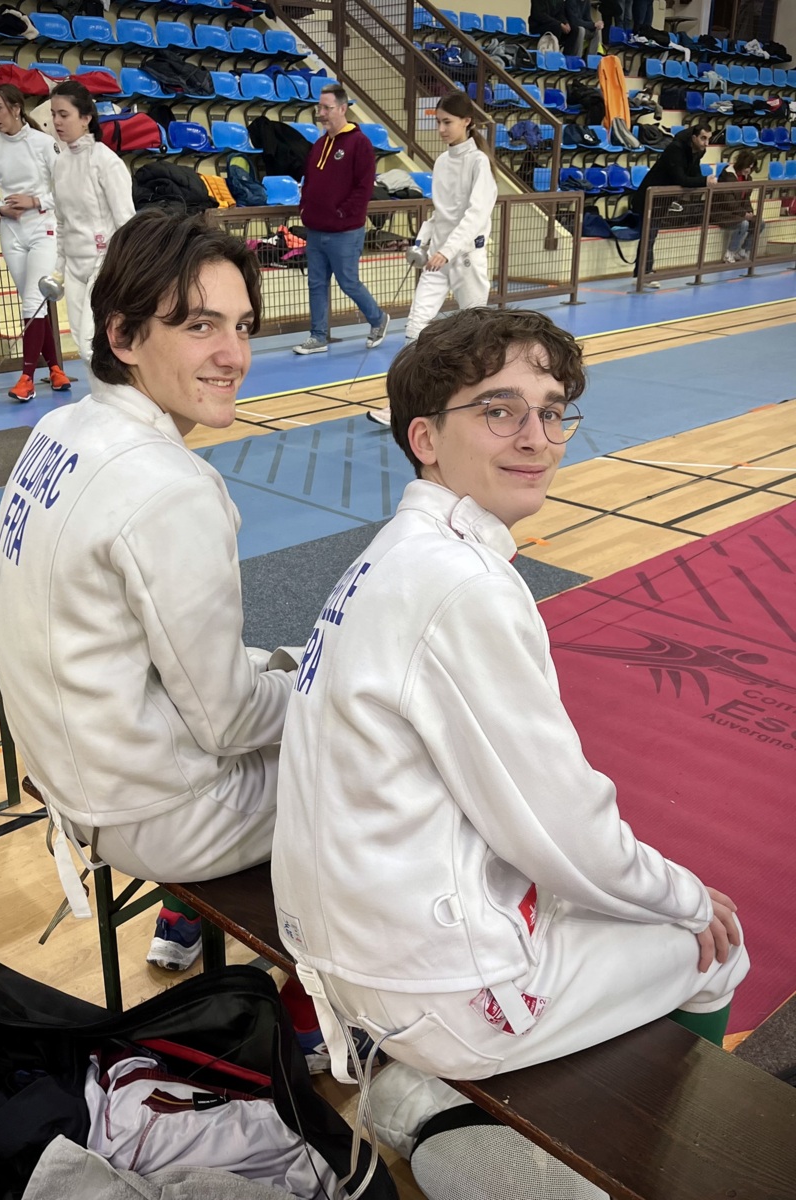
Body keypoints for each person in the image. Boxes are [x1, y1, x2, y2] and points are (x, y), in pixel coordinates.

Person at [271, 307, 748, 1094]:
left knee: (613, 905)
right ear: (425, 438)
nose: (536, 439)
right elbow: (565, 831)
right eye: (500, 411)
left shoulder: (397, 551)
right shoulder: (461, 583)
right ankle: (636, 1147)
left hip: (344, 949)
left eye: (551, 412)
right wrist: (688, 898)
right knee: (717, 946)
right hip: (427, 987)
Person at [0, 210, 296, 971]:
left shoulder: (60, 428)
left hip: (72, 772)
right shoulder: (170, 488)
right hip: (158, 813)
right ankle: (321, 1000)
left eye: (242, 327)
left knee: (280, 667)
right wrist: (330, 694)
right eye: (199, 326)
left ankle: (185, 914)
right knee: (380, 754)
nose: (233, 355)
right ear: (123, 336)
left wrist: (286, 671)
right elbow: (228, 721)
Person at [367, 92, 496, 428]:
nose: (441, 129)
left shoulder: (478, 163)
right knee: (416, 328)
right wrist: (422, 241)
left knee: (477, 333)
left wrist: (446, 251)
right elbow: (440, 214)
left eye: (447, 122)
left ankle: (486, 399)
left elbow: (475, 215)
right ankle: (400, 405)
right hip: (437, 259)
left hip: (466, 258)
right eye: (438, 122)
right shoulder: (441, 162)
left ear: (467, 121)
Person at [0, 84, 73, 402]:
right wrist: (0, 208)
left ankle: (27, 378)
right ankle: (56, 369)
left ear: (16, 108)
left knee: (32, 302)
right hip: (12, 230)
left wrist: (35, 201)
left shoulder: (43, 143)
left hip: (43, 227)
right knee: (35, 304)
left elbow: (64, 187)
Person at [293, 84, 389, 356]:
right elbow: (309, 182)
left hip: (345, 231)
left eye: (327, 108)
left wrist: (343, 212)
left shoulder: (360, 144)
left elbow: (364, 187)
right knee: (316, 284)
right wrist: (305, 209)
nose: (321, 113)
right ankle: (318, 336)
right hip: (316, 228)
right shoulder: (319, 145)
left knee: (348, 282)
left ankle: (378, 319)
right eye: (319, 107)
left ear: (343, 108)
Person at [49, 81, 135, 363]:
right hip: (74, 267)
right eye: (53, 114)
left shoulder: (106, 162)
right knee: (81, 343)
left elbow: (127, 224)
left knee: (93, 344)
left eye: (64, 114)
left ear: (86, 118)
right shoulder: (61, 164)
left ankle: (124, 389)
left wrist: (123, 271)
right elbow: (62, 223)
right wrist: (58, 270)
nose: (57, 122)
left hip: (103, 263)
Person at [630, 121, 715, 286]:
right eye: (703, 138)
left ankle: (642, 272)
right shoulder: (675, 149)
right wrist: (704, 181)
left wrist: (701, 181)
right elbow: (680, 179)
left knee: (651, 234)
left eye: (708, 139)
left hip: (664, 199)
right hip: (648, 196)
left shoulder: (699, 151)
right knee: (649, 235)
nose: (706, 143)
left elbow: (694, 173)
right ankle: (644, 273)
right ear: (693, 137)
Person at [713, 149, 763, 263]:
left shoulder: (748, 178)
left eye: (751, 167)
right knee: (743, 223)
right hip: (721, 212)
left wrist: (749, 212)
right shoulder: (727, 176)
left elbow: (746, 199)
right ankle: (729, 253)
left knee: (759, 222)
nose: (749, 170)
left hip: (737, 213)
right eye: (748, 166)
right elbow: (728, 201)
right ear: (741, 164)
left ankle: (743, 251)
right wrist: (743, 214)